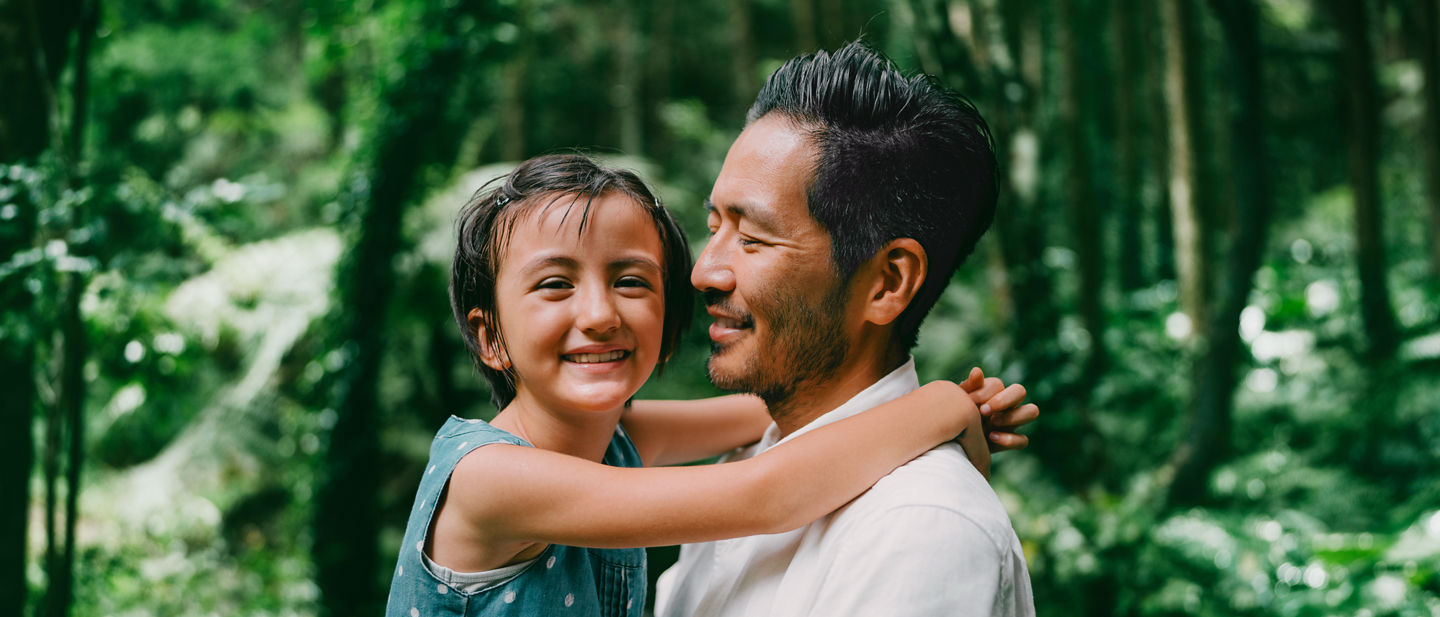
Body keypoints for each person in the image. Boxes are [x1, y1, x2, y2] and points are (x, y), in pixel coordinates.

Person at [384, 154, 1028, 617]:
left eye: (631, 281)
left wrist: (922, 422)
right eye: (555, 284)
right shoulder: (491, 479)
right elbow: (765, 493)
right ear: (490, 336)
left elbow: (782, 410)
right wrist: (940, 404)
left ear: (666, 322)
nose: (601, 313)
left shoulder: (617, 438)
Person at [653, 41, 1037, 616]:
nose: (704, 271)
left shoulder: (919, 530)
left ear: (887, 283)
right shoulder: (743, 463)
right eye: (715, 226)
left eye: (752, 238)